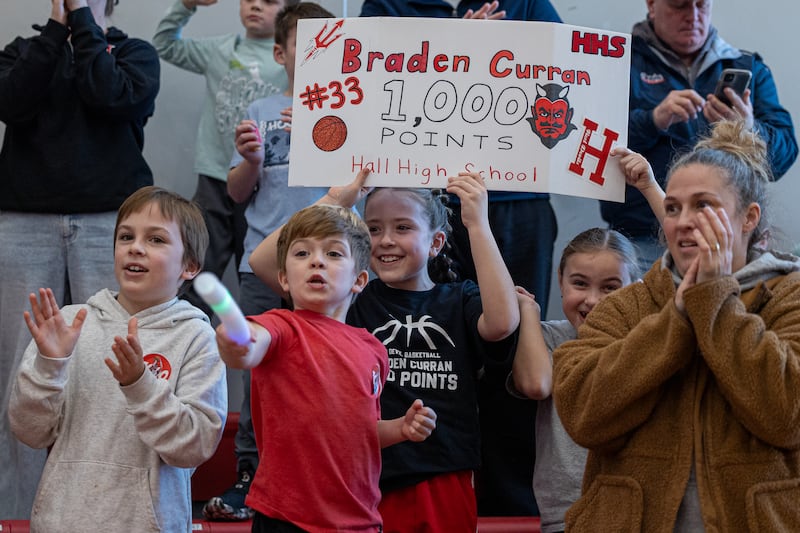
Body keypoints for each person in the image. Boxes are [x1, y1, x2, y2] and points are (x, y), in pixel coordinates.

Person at [359, 0, 563, 516]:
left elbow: (564, 75)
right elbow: (371, 76)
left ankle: (505, 496)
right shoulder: (386, 2)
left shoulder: (527, 3)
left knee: (506, 340)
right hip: (418, 193)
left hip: (514, 201)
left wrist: (493, 49)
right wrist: (452, 47)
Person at [552, 119, 800, 531]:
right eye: (673, 208)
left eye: (704, 205)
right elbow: (582, 414)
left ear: (749, 217)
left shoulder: (790, 296)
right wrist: (679, 317)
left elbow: (786, 416)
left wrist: (714, 298)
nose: (683, 220)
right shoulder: (628, 303)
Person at [250, 169, 520, 532]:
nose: (386, 240)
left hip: (441, 472)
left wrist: (478, 225)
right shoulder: (351, 299)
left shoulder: (459, 298)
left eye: (403, 228)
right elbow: (264, 263)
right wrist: (337, 201)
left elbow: (502, 323)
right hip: (363, 479)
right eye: (373, 229)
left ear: (436, 242)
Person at [0, 0, 159, 519]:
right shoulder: (24, 50)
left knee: (115, 361)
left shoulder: (134, 52)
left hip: (109, 221)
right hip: (24, 220)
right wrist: (56, 30)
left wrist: (85, 24)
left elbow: (111, 97)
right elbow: (12, 101)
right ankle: (17, 516)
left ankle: (111, 512)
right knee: (20, 370)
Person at [8, 186, 227, 533]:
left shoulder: (197, 337)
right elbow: (29, 431)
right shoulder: (69, 323)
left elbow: (195, 445)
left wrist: (141, 385)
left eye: (156, 240)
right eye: (126, 236)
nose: (135, 247)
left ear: (189, 266)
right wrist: (49, 366)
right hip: (61, 522)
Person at [217, 203, 437, 532]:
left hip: (360, 520)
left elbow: (360, 431)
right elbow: (246, 349)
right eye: (302, 253)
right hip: (287, 519)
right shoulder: (279, 327)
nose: (317, 260)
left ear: (359, 279)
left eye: (333, 254)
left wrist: (401, 429)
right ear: (284, 278)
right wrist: (234, 339)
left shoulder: (373, 349)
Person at [201, 2, 334, 521]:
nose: (319, 54)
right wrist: (253, 160)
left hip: (331, 270)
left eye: (331, 43)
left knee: (328, 373)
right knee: (259, 377)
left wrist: (324, 124)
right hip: (263, 266)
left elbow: (363, 178)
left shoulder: (355, 109)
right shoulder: (261, 109)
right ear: (282, 53)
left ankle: (321, 476)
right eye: (306, 43)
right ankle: (250, 477)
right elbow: (236, 193)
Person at [602, 0, 798, 271]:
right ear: (651, 5)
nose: (693, 17)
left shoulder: (748, 67)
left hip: (727, 236)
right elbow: (591, 144)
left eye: (701, 6)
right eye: (679, 6)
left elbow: (785, 156)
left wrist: (749, 130)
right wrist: (652, 120)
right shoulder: (615, 60)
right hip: (640, 239)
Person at [152, 0, 297, 319]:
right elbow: (163, 43)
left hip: (265, 190)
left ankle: (251, 337)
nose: (256, 5)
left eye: (270, 1)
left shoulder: (290, 59)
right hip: (215, 182)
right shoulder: (220, 49)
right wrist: (186, 5)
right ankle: (189, 337)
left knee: (259, 277)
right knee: (197, 274)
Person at [508, 227, 640, 533]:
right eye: (579, 284)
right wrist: (528, 312)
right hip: (566, 514)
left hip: (633, 510)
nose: (592, 300)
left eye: (610, 287)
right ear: (560, 281)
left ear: (636, 289)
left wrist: (647, 187)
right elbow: (536, 384)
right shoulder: (547, 338)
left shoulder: (647, 340)